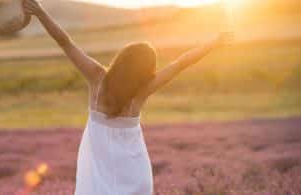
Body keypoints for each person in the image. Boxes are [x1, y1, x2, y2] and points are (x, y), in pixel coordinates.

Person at [23, 0, 233, 194]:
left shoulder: (97, 78)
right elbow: (180, 64)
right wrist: (214, 43)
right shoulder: (142, 91)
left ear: (121, 59)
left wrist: (41, 13)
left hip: (98, 177)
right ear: (146, 71)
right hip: (136, 175)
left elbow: (65, 42)